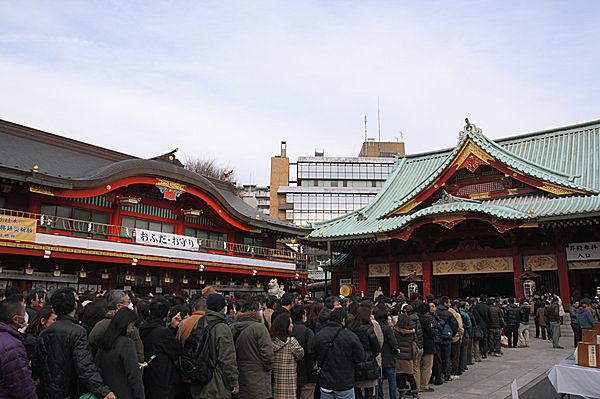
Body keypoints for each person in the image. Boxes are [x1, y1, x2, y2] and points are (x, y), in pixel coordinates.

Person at [32, 287, 115, 399]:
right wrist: (103, 390)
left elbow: (36, 364)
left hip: (47, 389)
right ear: (75, 305)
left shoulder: (45, 332)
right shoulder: (78, 332)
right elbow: (84, 365)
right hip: (70, 390)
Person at [193, 293, 239, 398]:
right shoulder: (222, 327)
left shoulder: (199, 322)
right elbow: (227, 358)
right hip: (216, 380)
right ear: (223, 308)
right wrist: (233, 381)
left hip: (198, 375)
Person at [313, 307, 365, 399]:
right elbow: (360, 357)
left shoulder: (319, 335)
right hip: (345, 382)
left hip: (326, 381)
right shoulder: (350, 336)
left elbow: (313, 354)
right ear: (343, 320)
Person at [96, 308, 145, 399]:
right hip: (124, 393)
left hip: (106, 392)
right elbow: (133, 376)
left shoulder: (104, 342)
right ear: (126, 324)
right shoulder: (127, 344)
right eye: (132, 325)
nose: (132, 330)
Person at [230, 298, 274, 399]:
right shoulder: (259, 328)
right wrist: (268, 368)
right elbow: (268, 354)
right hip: (258, 377)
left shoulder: (232, 327)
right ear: (255, 311)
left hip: (239, 375)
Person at [140, 298, 183, 399]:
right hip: (161, 376)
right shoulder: (162, 332)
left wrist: (171, 328)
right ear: (167, 313)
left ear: (150, 311)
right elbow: (177, 350)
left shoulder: (142, 327)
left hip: (145, 374)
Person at [89, 290, 144, 363]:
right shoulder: (130, 327)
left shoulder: (99, 325)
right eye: (128, 302)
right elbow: (139, 354)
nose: (131, 305)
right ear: (119, 306)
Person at [0, 298, 37, 399]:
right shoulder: (12, 346)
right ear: (16, 319)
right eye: (24, 314)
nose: (25, 319)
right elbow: (21, 385)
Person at [348, 306, 380, 399]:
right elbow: (375, 348)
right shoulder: (369, 329)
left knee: (356, 390)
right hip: (369, 362)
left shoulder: (350, 328)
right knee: (369, 391)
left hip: (355, 363)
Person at [271, 314, 304, 399]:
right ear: (285, 326)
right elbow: (300, 354)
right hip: (289, 382)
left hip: (275, 381)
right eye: (290, 323)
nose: (292, 325)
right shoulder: (291, 342)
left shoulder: (271, 341)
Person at [290, 305, 317, 399]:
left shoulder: (288, 330)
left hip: (291, 369)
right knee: (307, 394)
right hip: (306, 370)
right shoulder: (307, 331)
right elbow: (311, 351)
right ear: (303, 316)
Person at [375, 307, 400, 399]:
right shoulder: (388, 329)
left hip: (379, 356)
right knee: (392, 381)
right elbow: (393, 342)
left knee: (380, 381)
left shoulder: (375, 328)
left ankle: (380, 396)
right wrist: (396, 350)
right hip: (389, 356)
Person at [394, 313, 418, 399]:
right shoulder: (411, 332)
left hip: (399, 356)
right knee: (410, 375)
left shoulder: (395, 331)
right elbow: (415, 341)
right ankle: (415, 393)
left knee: (400, 375)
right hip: (409, 356)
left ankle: (402, 394)